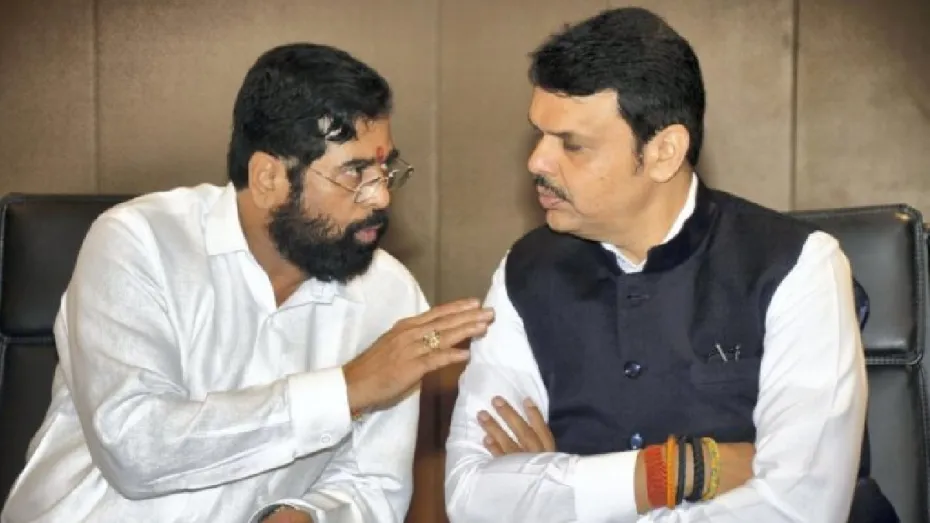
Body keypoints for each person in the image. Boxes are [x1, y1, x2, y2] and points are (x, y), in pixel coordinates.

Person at [1, 43, 493, 523]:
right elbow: (135, 447)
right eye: (355, 173)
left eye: (385, 170)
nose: (381, 197)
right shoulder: (139, 243)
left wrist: (307, 516)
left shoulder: (390, 293)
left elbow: (371, 484)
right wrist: (346, 391)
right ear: (268, 179)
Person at [444, 7, 897, 523]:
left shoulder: (798, 268)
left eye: (572, 145)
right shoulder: (525, 272)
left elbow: (798, 508)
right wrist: (677, 472)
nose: (537, 162)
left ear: (663, 152)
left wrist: (559, 490)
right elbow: (471, 497)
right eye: (539, 135)